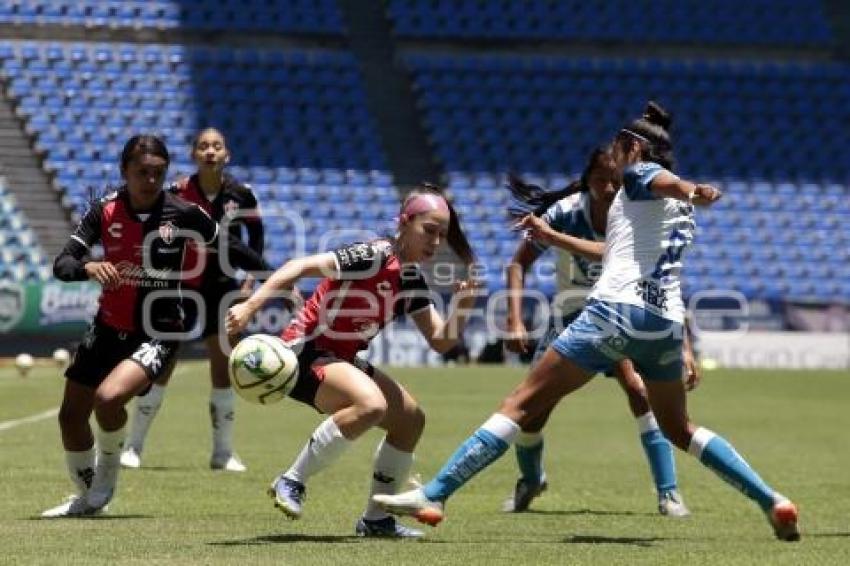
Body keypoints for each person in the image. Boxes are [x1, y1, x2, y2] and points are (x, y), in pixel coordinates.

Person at [374, 104, 801, 542]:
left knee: (520, 405)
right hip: (664, 324)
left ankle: (436, 494)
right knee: (679, 428)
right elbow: (615, 252)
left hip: (615, 312)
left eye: (618, 149)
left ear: (632, 146)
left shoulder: (641, 175)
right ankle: (771, 500)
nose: (613, 163)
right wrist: (554, 237)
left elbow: (663, 180)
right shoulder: (666, 211)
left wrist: (693, 189)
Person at [225, 184, 481, 538]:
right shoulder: (374, 254)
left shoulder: (411, 280)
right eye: (429, 231)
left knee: (410, 421)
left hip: (341, 358)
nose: (436, 242)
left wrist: (462, 307)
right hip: (305, 352)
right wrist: (251, 305)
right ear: (405, 222)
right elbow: (300, 266)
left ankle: (377, 520)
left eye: (442, 235)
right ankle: (291, 480)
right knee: (371, 404)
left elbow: (441, 341)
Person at [42, 135, 267, 518]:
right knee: (70, 416)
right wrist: (88, 267)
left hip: (159, 330)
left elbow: (232, 246)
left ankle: (103, 486)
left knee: (110, 399)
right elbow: (62, 264)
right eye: (141, 172)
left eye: (158, 173)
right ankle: (88, 498)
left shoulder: (183, 212)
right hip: (108, 325)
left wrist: (276, 279)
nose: (150, 180)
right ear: (124, 171)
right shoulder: (104, 210)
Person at [502, 144, 696, 516]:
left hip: (619, 311)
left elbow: (663, 284)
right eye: (600, 180)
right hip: (572, 316)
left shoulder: (638, 214)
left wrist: (684, 345)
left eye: (615, 180)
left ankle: (668, 493)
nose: (608, 188)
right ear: (588, 179)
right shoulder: (566, 211)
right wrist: (514, 318)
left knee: (639, 391)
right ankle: (531, 479)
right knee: (532, 411)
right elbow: (517, 265)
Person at [120, 128, 265, 473]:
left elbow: (256, 241)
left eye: (216, 146)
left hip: (222, 286)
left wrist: (248, 285)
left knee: (223, 364)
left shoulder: (242, 195)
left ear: (226, 154)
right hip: (180, 283)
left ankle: (223, 452)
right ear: (193, 154)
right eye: (203, 146)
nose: (210, 151)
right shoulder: (177, 191)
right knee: (164, 361)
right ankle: (133, 446)